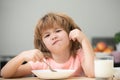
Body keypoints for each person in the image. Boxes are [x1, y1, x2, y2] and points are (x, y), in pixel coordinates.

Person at [1, 12, 95, 78]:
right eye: (47, 35)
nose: (53, 37)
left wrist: (83, 40)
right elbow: (4, 73)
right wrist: (22, 56)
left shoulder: (79, 55)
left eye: (58, 31)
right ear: (43, 44)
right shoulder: (42, 62)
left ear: (70, 33)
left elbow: (92, 73)